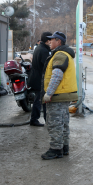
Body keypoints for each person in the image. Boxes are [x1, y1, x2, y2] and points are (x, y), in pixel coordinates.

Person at [41, 31, 78, 160]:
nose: (50, 42)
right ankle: (64, 147)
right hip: (63, 95)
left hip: (57, 95)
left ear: (59, 41)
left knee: (55, 123)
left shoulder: (60, 55)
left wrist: (48, 93)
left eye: (53, 39)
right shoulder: (65, 53)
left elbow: (56, 75)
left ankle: (56, 149)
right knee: (63, 122)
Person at [28, 32, 52, 126]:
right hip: (40, 79)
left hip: (36, 77)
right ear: (47, 41)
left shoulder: (39, 47)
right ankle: (36, 120)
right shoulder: (44, 51)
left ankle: (35, 119)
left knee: (38, 100)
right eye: (50, 40)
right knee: (41, 100)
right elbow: (47, 67)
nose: (51, 42)